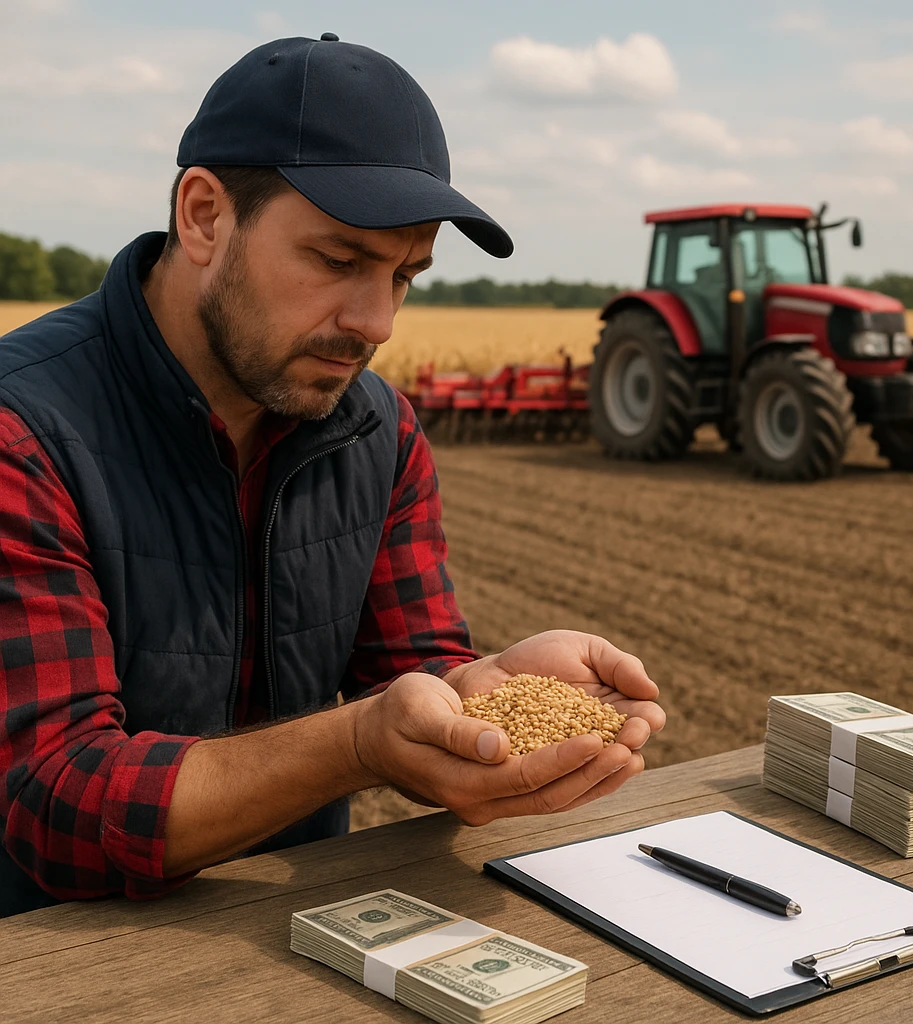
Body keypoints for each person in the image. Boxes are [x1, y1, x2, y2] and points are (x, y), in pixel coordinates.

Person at [0, 35, 665, 918]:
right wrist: (358, 743)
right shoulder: (26, 429)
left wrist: (482, 695)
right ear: (204, 216)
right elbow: (58, 804)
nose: (378, 320)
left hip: (300, 938)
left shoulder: (377, 431)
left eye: (405, 275)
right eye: (340, 260)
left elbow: (413, 675)